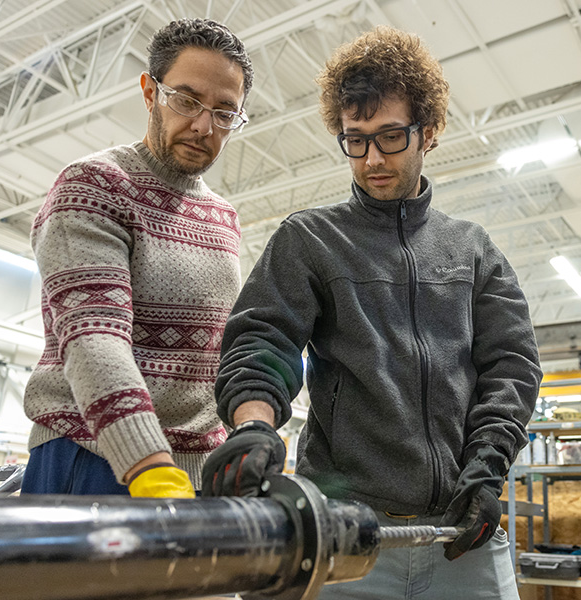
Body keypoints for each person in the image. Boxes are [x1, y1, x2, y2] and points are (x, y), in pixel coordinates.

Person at [201, 26, 542, 599]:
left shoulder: (473, 249)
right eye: (354, 140)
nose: (372, 159)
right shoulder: (310, 239)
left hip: (458, 531)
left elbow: (511, 366)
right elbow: (263, 340)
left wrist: (488, 465)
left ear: (428, 132)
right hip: (343, 534)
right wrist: (255, 425)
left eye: (390, 137)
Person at [21, 18, 253, 498]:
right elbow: (93, 338)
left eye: (225, 112)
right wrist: (148, 464)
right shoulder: (93, 186)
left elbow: (215, 356)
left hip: (194, 472)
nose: (203, 126)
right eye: (187, 100)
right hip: (92, 458)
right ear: (151, 92)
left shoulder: (223, 218)